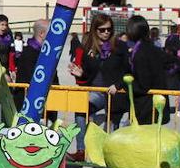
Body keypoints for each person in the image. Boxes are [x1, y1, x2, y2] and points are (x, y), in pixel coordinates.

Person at [68, 13, 129, 152]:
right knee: (81, 111)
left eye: (109, 29)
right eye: (102, 29)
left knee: (110, 132)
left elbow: (129, 71)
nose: (106, 32)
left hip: (114, 93)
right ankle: (81, 151)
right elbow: (86, 76)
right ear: (95, 30)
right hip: (96, 92)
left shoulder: (120, 46)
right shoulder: (88, 47)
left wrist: (118, 85)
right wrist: (80, 74)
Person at [124, 15, 169, 124]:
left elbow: (143, 84)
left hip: (147, 108)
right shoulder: (151, 48)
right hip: (158, 105)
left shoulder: (141, 53)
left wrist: (126, 85)